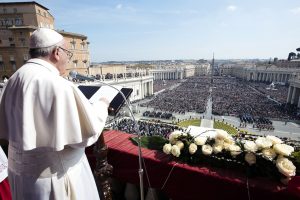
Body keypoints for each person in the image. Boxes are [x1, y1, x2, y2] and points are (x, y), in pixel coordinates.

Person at [0, 28, 110, 199]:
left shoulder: (13, 80)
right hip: (55, 180)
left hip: (20, 176)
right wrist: (101, 106)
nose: (68, 59)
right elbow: (86, 135)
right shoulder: (58, 85)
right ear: (57, 52)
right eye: (68, 53)